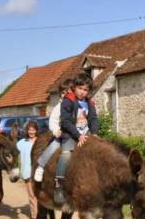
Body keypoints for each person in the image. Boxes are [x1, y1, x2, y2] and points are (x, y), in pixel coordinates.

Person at [54, 73, 98, 206]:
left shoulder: (89, 103)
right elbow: (66, 122)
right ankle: (59, 185)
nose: (82, 92)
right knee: (66, 155)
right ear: (74, 87)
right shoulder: (68, 101)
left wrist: (94, 133)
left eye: (86, 90)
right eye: (80, 88)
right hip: (71, 135)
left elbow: (93, 119)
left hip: (87, 134)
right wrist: (78, 136)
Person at [33, 79, 72, 182]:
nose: (65, 95)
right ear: (60, 94)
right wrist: (56, 131)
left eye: (68, 92)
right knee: (52, 147)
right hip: (62, 136)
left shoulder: (77, 105)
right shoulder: (58, 108)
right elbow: (52, 122)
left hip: (77, 135)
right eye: (63, 93)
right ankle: (41, 167)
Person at [16, 120, 39, 219]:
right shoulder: (21, 143)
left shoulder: (40, 141)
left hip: (39, 172)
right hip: (27, 172)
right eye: (29, 130)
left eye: (33, 130)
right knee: (32, 195)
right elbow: (13, 151)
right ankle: (35, 216)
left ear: (36, 130)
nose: (31, 132)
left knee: (40, 194)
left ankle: (41, 214)